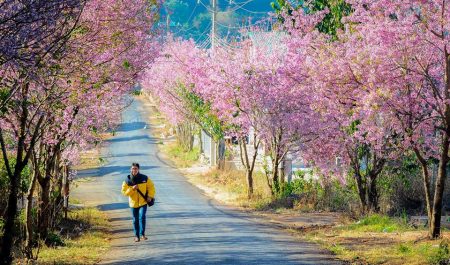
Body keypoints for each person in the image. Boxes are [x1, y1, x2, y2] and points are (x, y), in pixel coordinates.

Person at [121, 162, 155, 242]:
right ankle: (136, 236)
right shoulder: (127, 180)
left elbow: (151, 187)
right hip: (133, 203)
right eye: (133, 168)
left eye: (136, 168)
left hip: (143, 202)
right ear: (130, 169)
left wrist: (150, 196)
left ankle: (142, 234)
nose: (134, 170)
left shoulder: (144, 178)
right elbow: (124, 192)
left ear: (138, 169)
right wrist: (132, 189)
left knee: (142, 217)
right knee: (135, 220)